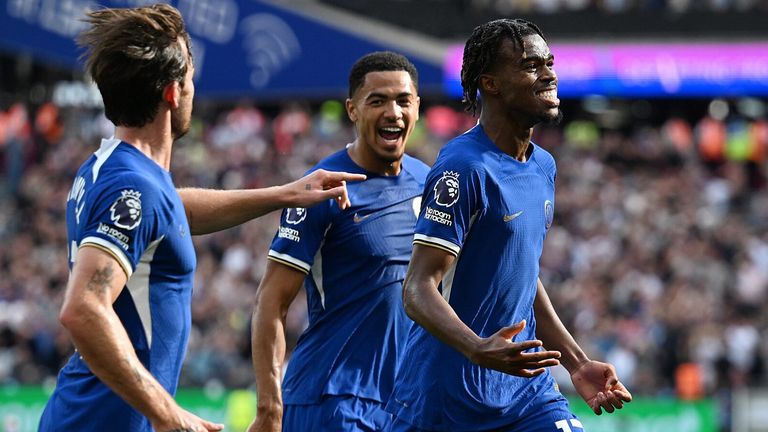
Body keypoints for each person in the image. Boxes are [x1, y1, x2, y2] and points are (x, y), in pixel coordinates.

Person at [38, 4, 363, 432]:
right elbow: (82, 308)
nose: (194, 89)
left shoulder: (116, 171)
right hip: (99, 421)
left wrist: (285, 194)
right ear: (173, 93)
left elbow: (172, 210)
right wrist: (169, 416)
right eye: (190, 80)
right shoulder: (134, 187)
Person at [385, 19, 632, 432]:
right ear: (492, 83)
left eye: (549, 62)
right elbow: (416, 288)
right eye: (531, 65)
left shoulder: (542, 166)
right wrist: (477, 348)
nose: (550, 73)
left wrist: (576, 362)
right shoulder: (462, 168)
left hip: (524, 393)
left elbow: (522, 273)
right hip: (444, 398)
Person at [248, 51, 428, 432]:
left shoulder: (430, 183)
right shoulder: (321, 188)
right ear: (352, 110)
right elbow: (271, 301)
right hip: (333, 401)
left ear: (417, 108)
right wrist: (269, 405)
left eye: (402, 101)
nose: (392, 112)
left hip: (407, 403)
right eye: (377, 101)